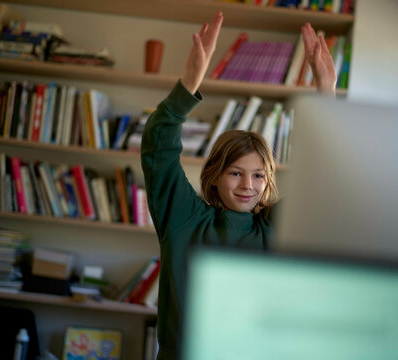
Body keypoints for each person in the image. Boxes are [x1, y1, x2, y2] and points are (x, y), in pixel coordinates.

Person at [141, 12, 336, 360]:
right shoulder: (184, 219)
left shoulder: (274, 228)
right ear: (215, 175)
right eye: (235, 173)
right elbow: (159, 149)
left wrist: (326, 95)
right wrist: (188, 85)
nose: (248, 185)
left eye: (259, 175)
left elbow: (325, 178)